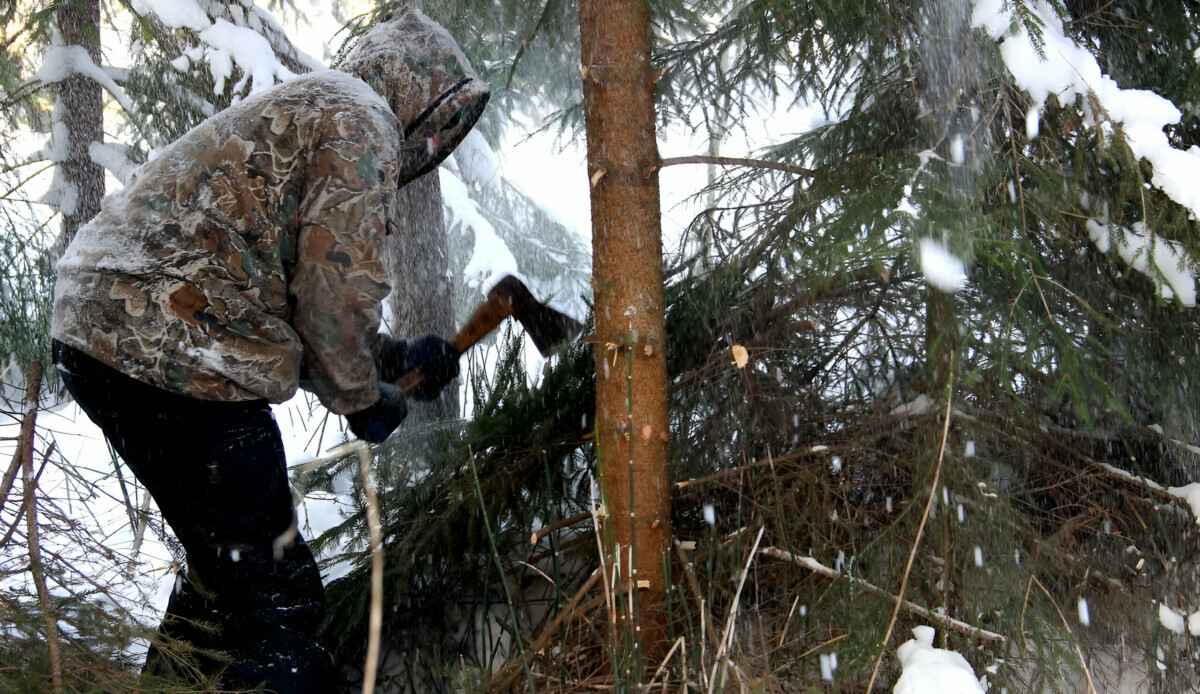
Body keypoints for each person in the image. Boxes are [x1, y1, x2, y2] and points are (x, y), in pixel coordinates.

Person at [50, 11, 488, 692]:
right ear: (417, 87)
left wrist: (387, 356)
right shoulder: (362, 119)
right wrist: (362, 399)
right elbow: (332, 291)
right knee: (278, 605)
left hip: (104, 329)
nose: (431, 140)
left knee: (228, 570)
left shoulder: (318, 107)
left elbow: (288, 280)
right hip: (177, 351)